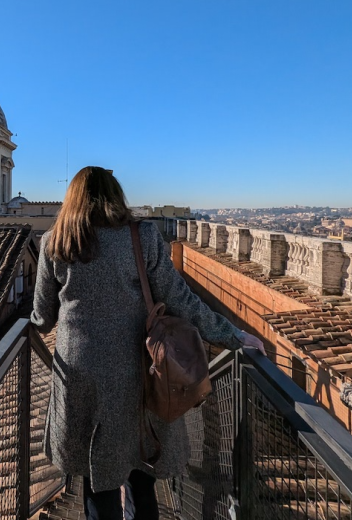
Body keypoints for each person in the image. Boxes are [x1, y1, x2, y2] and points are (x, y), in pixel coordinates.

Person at [31, 166, 264, 520]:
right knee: (142, 475)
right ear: (115, 196)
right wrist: (233, 335)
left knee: (98, 480)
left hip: (80, 377)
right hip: (138, 371)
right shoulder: (141, 236)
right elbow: (180, 299)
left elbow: (42, 318)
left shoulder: (54, 243)